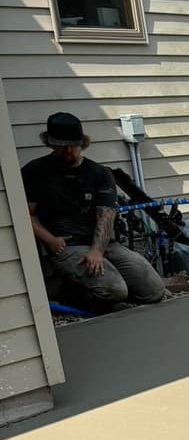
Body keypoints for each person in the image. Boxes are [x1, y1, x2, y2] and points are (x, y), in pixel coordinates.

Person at [21, 112, 165, 307]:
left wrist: (97, 250)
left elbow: (106, 215)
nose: (69, 151)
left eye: (73, 146)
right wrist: (50, 240)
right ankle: (71, 293)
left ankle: (108, 294)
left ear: (82, 143)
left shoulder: (98, 173)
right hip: (67, 246)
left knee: (154, 291)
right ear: (51, 144)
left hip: (105, 244)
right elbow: (25, 214)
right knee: (115, 290)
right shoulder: (35, 172)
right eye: (62, 147)